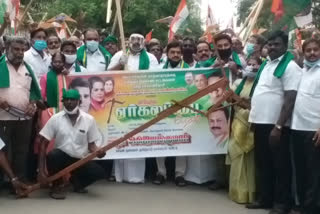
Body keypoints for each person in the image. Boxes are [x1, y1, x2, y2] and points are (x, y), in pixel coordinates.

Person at [247, 31, 302, 214]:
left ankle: (282, 203)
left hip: (276, 125)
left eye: (276, 44)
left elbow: (290, 98)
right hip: (261, 122)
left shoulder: (290, 67)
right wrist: (254, 119)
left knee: (280, 165)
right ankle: (265, 199)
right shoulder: (267, 64)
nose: (271, 47)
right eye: (269, 44)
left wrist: (279, 126)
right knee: (264, 163)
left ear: (285, 46)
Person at [37, 89, 106, 199]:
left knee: (99, 172)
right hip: (61, 158)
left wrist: (99, 152)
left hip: (79, 160)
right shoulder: (55, 119)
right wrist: (40, 170)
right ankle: (56, 185)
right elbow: (43, 143)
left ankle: (77, 183)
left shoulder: (89, 120)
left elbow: (91, 145)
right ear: (63, 101)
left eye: (72, 100)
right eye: (66, 99)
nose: (69, 102)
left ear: (79, 101)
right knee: (53, 155)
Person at [108, 33, 158, 184]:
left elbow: (156, 79)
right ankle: (117, 174)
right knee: (120, 136)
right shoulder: (119, 55)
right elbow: (106, 75)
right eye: (133, 40)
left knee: (138, 136)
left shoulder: (150, 58)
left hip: (141, 103)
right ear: (128, 41)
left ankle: (136, 176)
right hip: (121, 103)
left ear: (144, 42)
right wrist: (119, 65)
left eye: (139, 40)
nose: (136, 43)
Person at [0, 36, 41, 180]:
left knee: (21, 151)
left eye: (23, 50)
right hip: (2, 117)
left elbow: (35, 92)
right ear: (7, 48)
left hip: (24, 117)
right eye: (16, 49)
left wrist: (33, 104)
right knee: (2, 150)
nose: (20, 53)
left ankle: (19, 181)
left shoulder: (28, 68)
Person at [152, 41, 189, 187]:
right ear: (167, 54)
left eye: (178, 53)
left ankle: (180, 175)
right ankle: (161, 173)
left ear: (181, 54)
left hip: (183, 112)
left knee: (182, 143)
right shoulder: (159, 70)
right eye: (172, 52)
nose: (175, 55)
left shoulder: (189, 70)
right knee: (160, 142)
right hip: (163, 110)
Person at [290, 38, 320, 214]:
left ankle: (311, 208)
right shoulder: (303, 71)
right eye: (308, 50)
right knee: (300, 169)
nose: (312, 53)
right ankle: (301, 204)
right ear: (303, 53)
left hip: (313, 130)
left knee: (314, 171)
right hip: (297, 127)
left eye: (315, 50)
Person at [228, 56, 262, 204]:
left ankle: (250, 193)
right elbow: (231, 98)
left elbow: (255, 105)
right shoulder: (239, 82)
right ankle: (237, 192)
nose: (251, 67)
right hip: (237, 122)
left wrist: (240, 101)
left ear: (260, 67)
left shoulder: (260, 84)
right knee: (236, 157)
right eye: (249, 64)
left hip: (250, 124)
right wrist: (229, 95)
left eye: (255, 65)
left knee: (249, 160)